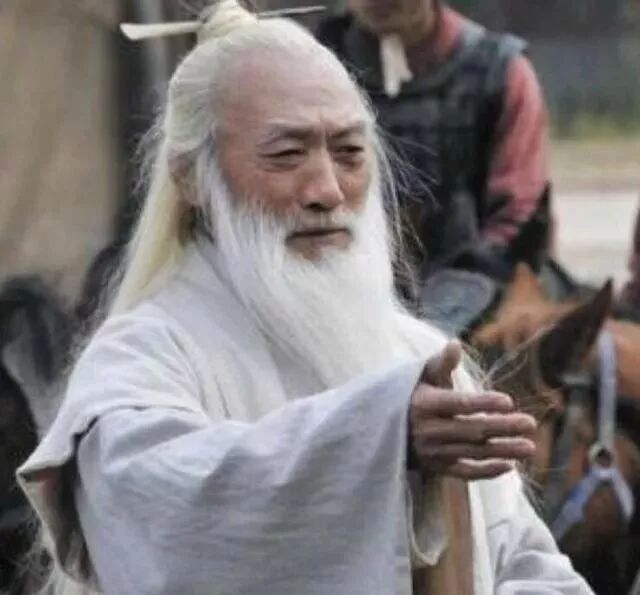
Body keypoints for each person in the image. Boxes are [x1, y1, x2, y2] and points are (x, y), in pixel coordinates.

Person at [18, 2, 590, 594]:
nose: (327, 190)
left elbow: (525, 562)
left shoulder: (417, 355)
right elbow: (158, 508)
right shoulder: (142, 358)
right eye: (287, 155)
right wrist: (379, 438)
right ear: (192, 177)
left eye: (349, 153)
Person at [316, 0, 552, 290]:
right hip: (345, 285)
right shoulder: (312, 70)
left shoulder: (501, 72)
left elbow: (518, 218)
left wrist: (458, 294)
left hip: (479, 286)